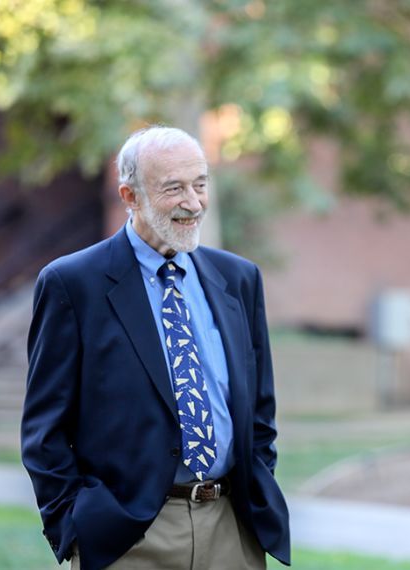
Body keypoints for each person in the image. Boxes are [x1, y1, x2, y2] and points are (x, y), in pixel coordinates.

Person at [21, 126, 289, 570]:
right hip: (128, 539)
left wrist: (256, 486)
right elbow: (44, 430)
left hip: (232, 530)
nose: (194, 202)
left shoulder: (239, 279)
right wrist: (74, 530)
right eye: (174, 189)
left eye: (200, 184)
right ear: (130, 196)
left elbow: (260, 412)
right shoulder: (73, 284)